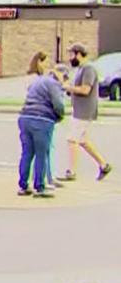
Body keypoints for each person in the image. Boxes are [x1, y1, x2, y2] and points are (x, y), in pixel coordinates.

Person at [58, 44, 112, 182]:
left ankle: (72, 172)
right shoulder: (81, 69)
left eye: (71, 55)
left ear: (79, 54)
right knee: (82, 141)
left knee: (72, 139)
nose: (70, 58)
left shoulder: (88, 69)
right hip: (80, 110)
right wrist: (69, 88)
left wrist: (68, 87)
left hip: (84, 111)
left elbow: (85, 90)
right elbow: (77, 89)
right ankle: (104, 165)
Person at [17, 52, 67, 198]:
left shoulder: (37, 82)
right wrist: (60, 116)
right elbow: (58, 105)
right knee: (42, 154)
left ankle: (23, 185)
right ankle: (40, 186)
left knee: (27, 153)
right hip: (42, 119)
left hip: (25, 117)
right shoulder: (53, 84)